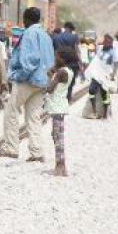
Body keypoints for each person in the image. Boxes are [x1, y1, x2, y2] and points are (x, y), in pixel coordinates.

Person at [0, 7, 55, 160]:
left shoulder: (30, 33)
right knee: (33, 116)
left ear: (26, 19)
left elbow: (30, 61)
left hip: (27, 80)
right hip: (42, 80)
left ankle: (12, 148)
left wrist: (18, 75)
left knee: (11, 111)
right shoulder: (45, 35)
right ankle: (36, 152)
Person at [45, 47, 76, 176]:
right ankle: (60, 165)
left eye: (57, 57)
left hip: (57, 107)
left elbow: (50, 89)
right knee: (56, 135)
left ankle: (60, 167)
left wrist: (50, 77)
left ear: (62, 59)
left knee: (58, 137)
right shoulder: (68, 71)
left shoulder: (60, 72)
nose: (55, 59)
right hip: (60, 106)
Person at [84, 34, 118, 119]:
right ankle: (94, 111)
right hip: (96, 74)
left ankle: (105, 114)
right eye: (104, 41)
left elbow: (116, 63)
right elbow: (92, 50)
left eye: (107, 42)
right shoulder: (100, 48)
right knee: (91, 90)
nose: (105, 43)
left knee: (104, 93)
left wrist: (113, 74)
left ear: (110, 43)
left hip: (105, 75)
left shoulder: (113, 51)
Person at [52, 21, 81, 100]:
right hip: (72, 64)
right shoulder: (74, 37)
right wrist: (80, 64)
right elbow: (77, 51)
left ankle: (59, 99)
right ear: (70, 29)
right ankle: (67, 99)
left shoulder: (56, 37)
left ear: (65, 28)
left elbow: (54, 52)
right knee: (70, 84)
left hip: (60, 64)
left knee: (59, 82)